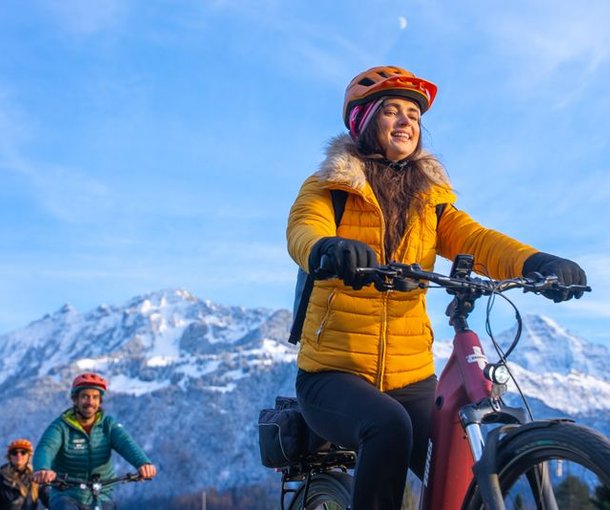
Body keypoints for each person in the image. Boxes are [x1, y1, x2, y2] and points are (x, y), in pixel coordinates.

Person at [286, 65, 587, 510]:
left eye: (414, 113)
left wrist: (537, 261)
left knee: (457, 455)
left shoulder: (431, 201)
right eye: (391, 111)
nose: (407, 120)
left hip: (411, 377)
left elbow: (479, 240)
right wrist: (329, 248)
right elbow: (302, 231)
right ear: (363, 122)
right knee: (387, 426)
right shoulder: (328, 188)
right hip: (333, 374)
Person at [32, 373, 157, 510]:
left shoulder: (108, 425)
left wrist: (143, 463)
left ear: (100, 401)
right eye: (85, 396)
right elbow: (46, 447)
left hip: (101, 494)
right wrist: (43, 469)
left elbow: (126, 443)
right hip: (66, 493)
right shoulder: (61, 426)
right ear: (75, 400)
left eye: (95, 397)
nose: (90, 402)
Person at [0, 439, 39, 510]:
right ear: (10, 457)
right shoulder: (1, 476)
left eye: (23, 452)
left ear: (29, 456)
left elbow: (48, 496)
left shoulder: (36, 476)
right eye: (14, 453)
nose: (18, 455)